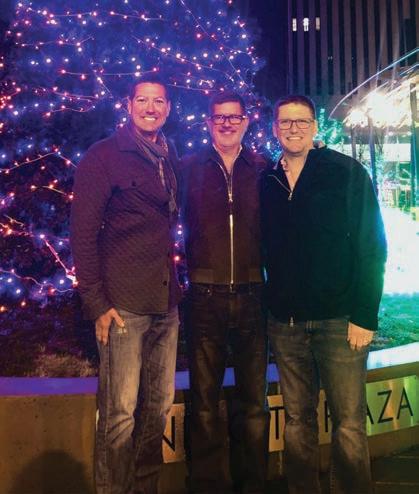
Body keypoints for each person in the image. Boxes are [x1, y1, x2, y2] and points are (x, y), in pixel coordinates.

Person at [261, 94, 387, 494]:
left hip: (339, 320)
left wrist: (365, 314)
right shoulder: (268, 180)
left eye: (301, 121)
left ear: (315, 127)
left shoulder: (345, 172)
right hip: (286, 324)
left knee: (348, 423)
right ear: (275, 128)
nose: (293, 129)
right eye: (285, 122)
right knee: (298, 422)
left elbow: (372, 244)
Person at [70, 73, 181, 494]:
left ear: (168, 108)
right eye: (143, 100)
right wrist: (97, 304)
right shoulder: (103, 156)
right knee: (118, 416)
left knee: (157, 411)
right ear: (129, 105)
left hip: (166, 303)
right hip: (123, 308)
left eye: (159, 101)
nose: (151, 108)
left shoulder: (168, 155)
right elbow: (82, 234)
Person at [180, 92, 270, 494]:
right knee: (203, 403)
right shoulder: (188, 168)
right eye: (220, 117)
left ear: (246, 122)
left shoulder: (264, 169)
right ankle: (206, 485)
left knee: (253, 403)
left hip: (253, 297)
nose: (227, 123)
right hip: (205, 297)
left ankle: (253, 485)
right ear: (209, 123)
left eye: (234, 117)